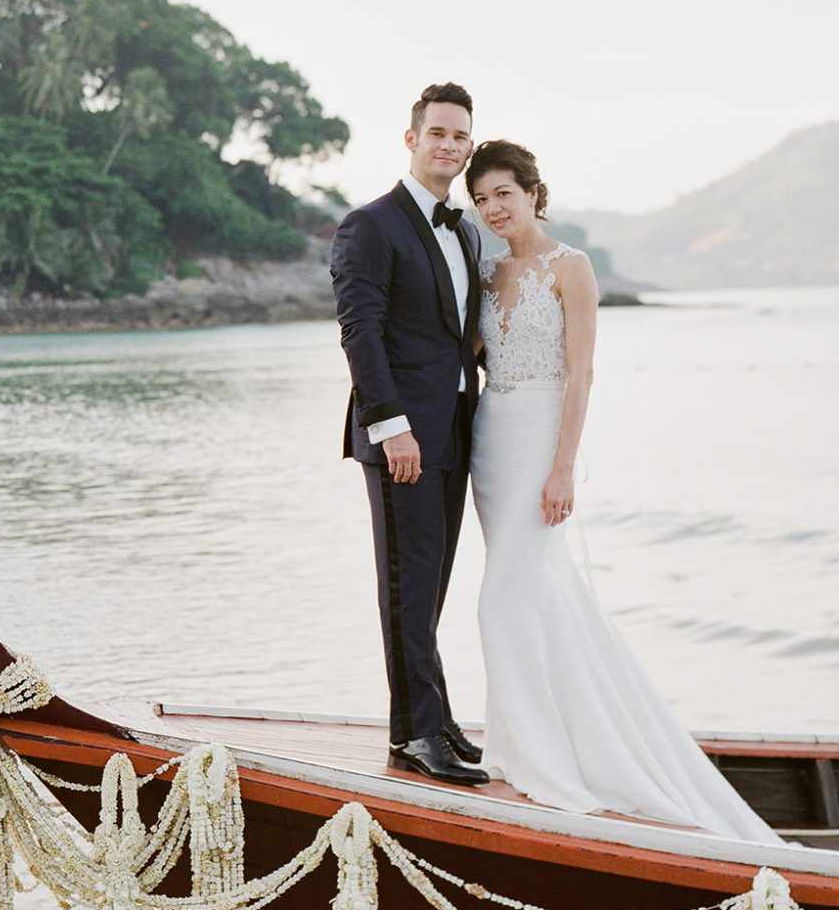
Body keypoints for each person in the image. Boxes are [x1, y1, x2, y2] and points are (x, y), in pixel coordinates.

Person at [466, 138, 778, 837]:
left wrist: (562, 466)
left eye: (503, 194)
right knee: (528, 590)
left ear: (532, 193)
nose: (492, 208)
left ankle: (535, 751)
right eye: (480, 198)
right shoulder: (486, 273)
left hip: (541, 437)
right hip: (490, 436)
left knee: (504, 595)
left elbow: (580, 375)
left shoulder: (569, 267)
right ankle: (524, 742)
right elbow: (473, 356)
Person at [329, 83, 490, 786]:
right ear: (411, 139)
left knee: (429, 585)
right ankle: (418, 732)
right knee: (405, 582)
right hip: (402, 438)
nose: (448, 146)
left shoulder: (463, 228)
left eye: (460, 136)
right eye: (437, 134)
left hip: (453, 428)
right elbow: (360, 332)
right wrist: (390, 426)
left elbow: (456, 335)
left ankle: (428, 721)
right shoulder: (371, 225)